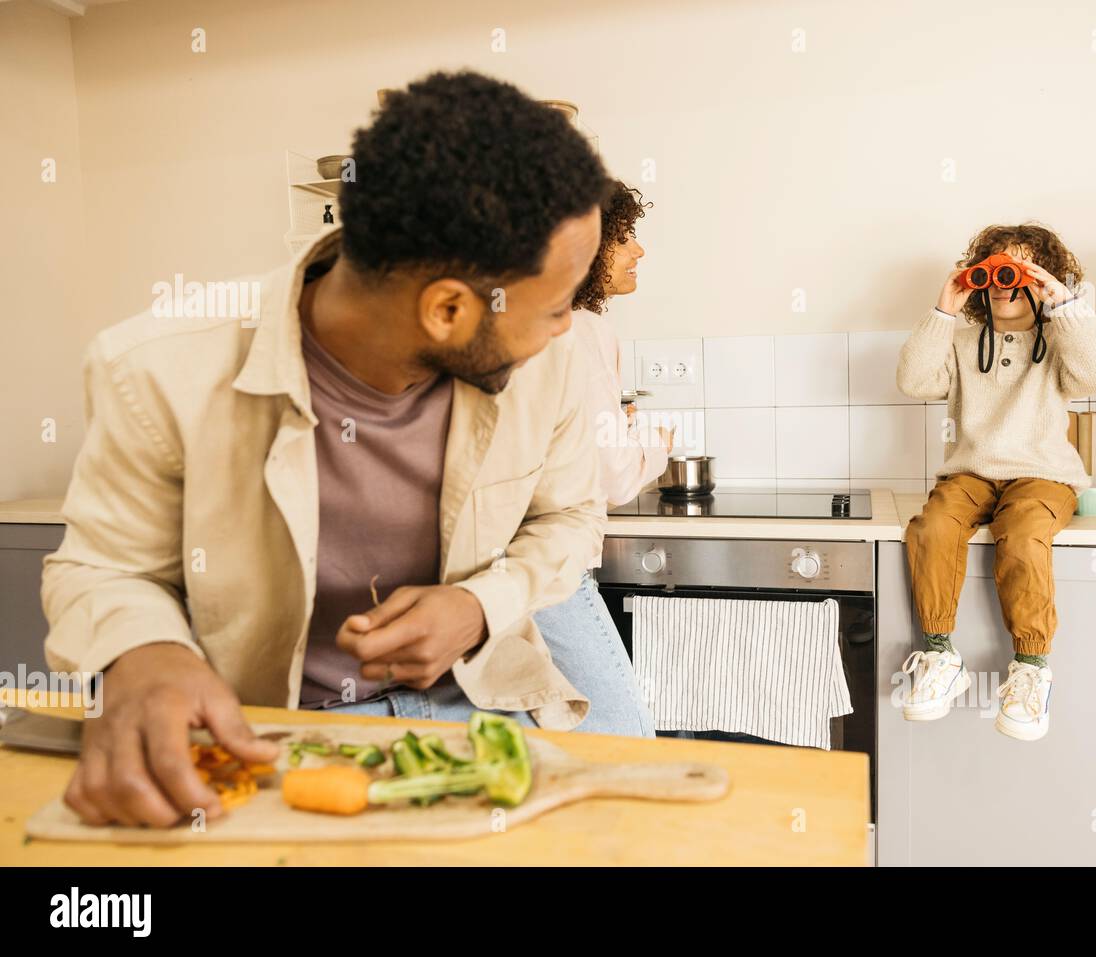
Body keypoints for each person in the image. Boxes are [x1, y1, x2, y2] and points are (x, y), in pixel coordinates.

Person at [42, 70, 616, 828]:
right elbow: (102, 567)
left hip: (482, 707)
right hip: (268, 733)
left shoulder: (555, 365)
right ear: (447, 309)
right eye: (557, 305)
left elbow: (571, 519)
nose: (568, 325)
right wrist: (145, 654)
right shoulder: (154, 370)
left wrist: (478, 606)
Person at [895, 222, 1096, 741]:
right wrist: (943, 309)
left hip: (1042, 475)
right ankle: (938, 656)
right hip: (971, 472)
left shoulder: (1059, 338)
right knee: (931, 527)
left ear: (1041, 280)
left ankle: (1032, 666)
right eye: (995, 270)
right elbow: (913, 380)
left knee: (1020, 535)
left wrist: (1060, 303)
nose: (1003, 282)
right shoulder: (962, 338)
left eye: (1019, 271)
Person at [532, 181, 671, 737]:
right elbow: (614, 479)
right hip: (548, 570)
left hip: (488, 571)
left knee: (539, 732)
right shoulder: (582, 330)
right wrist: (654, 443)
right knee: (624, 737)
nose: (639, 251)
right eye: (625, 236)